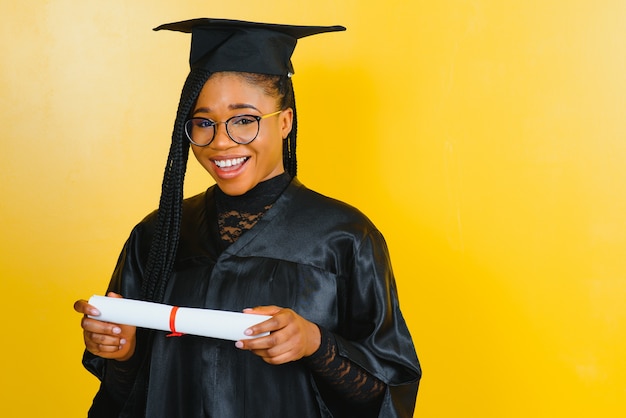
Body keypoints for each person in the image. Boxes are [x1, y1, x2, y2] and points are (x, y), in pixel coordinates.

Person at [74, 17, 421, 418]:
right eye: (204, 123)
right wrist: (122, 352)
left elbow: (387, 395)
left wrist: (315, 343)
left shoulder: (344, 236)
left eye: (244, 120)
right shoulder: (159, 234)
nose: (221, 141)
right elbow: (126, 397)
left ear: (285, 121)